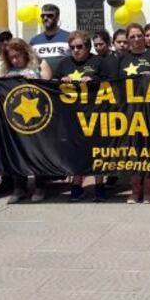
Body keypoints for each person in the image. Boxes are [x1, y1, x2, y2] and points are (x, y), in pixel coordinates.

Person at [53, 31, 110, 202]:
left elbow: (111, 82)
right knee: (75, 149)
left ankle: (99, 184)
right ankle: (77, 184)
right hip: (72, 114)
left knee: (97, 148)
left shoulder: (98, 61)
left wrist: (94, 80)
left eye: (79, 47)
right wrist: (61, 80)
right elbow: (52, 83)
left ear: (87, 47)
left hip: (95, 112)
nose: (76, 50)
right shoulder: (64, 63)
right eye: (72, 47)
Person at [0, 38, 50, 203]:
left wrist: (34, 79)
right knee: (17, 151)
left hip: (38, 118)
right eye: (11, 57)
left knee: (38, 151)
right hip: (15, 120)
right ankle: (19, 187)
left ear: (26, 53)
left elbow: (49, 84)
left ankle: (40, 186)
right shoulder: (6, 71)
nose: (15, 60)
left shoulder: (39, 65)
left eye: (18, 56)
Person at [117, 24, 150, 203]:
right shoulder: (122, 58)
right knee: (133, 152)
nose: (136, 39)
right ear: (128, 39)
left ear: (144, 37)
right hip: (129, 111)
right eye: (132, 36)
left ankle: (149, 190)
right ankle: (135, 190)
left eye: (139, 36)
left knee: (149, 150)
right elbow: (116, 85)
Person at [30, 3, 71, 71]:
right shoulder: (34, 40)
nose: (45, 18)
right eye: (43, 16)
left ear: (57, 18)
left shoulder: (69, 37)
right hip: (41, 80)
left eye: (49, 15)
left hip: (63, 80)